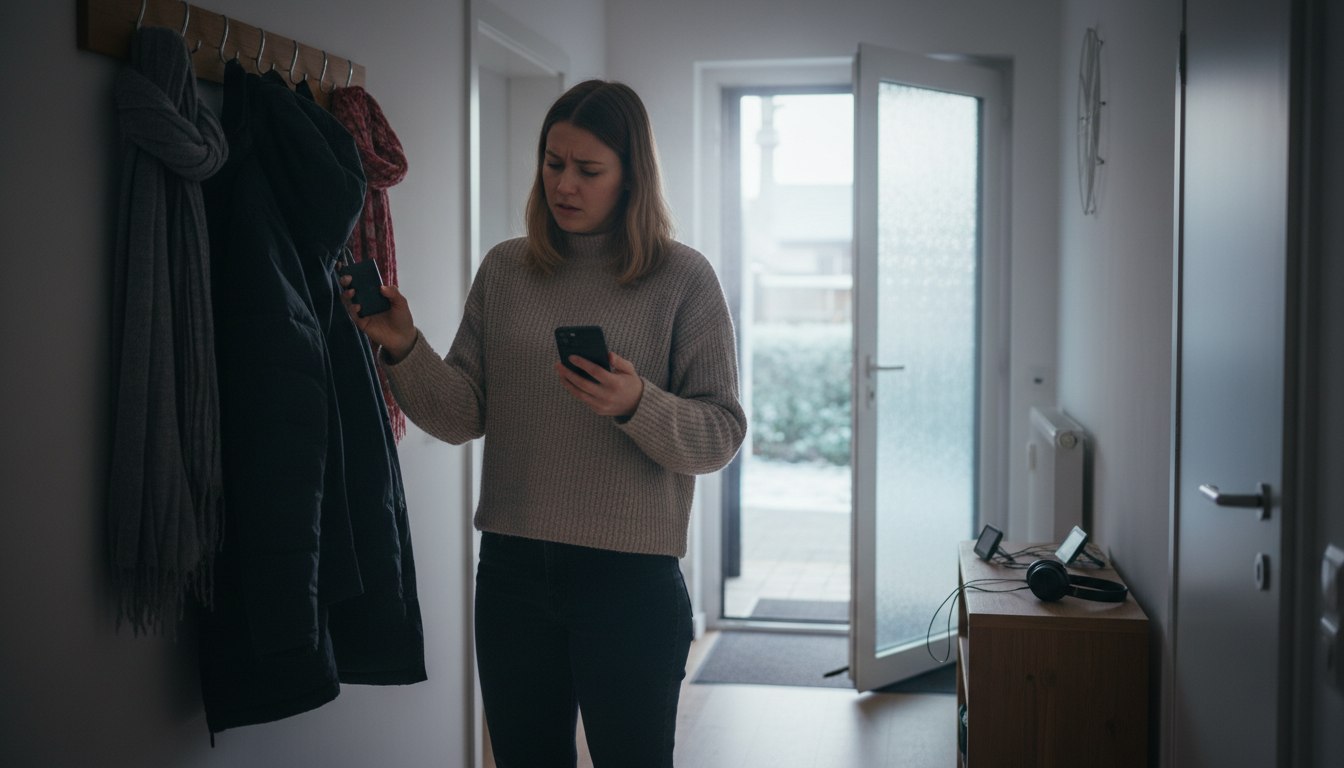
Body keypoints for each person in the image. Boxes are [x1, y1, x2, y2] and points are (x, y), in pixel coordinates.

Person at [343, 79, 747, 767]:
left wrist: (634, 402)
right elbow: (463, 413)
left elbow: (719, 435)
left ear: (631, 179)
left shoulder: (683, 279)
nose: (565, 184)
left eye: (588, 170)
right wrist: (405, 346)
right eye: (553, 163)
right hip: (513, 574)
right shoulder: (506, 269)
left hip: (630, 583)